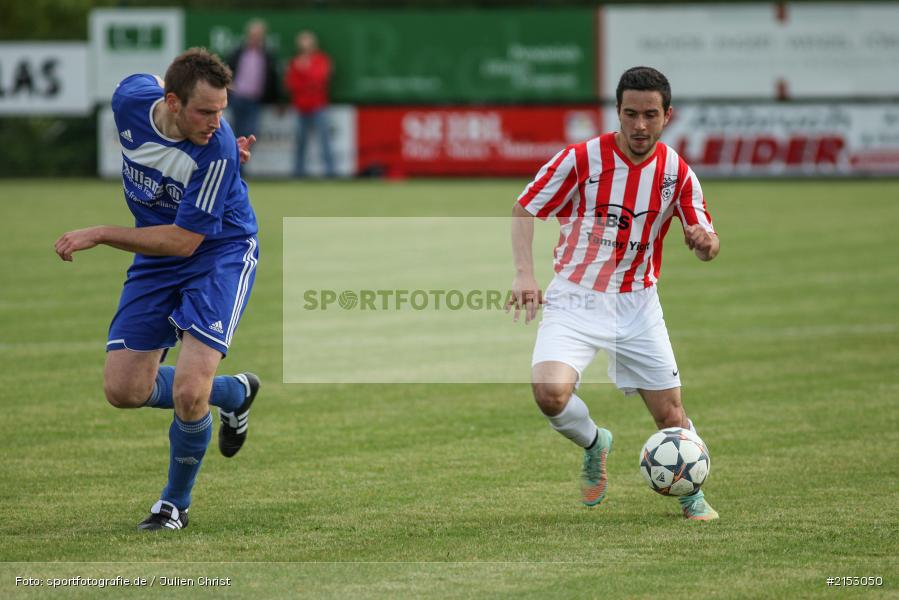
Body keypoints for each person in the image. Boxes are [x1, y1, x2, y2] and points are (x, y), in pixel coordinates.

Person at [54, 48, 262, 531]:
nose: (217, 121)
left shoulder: (216, 149)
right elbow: (146, 79)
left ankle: (173, 505)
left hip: (218, 253)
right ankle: (233, 394)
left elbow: (183, 242)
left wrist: (101, 232)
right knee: (124, 390)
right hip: (156, 256)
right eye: (205, 111)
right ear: (171, 101)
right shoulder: (130, 98)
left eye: (222, 110)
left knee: (190, 393)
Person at [506, 66, 720, 521]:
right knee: (549, 393)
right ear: (617, 112)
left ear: (667, 116)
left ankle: (691, 494)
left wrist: (704, 243)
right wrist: (524, 274)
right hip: (576, 297)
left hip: (637, 304)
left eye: (650, 115)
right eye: (630, 114)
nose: (639, 125)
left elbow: (707, 239)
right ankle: (594, 442)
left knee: (671, 414)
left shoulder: (677, 173)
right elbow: (525, 207)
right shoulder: (582, 159)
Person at [284, 30, 336, 177]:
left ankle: (330, 173)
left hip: (318, 106)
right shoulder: (295, 62)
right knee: (300, 143)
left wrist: (303, 73)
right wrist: (305, 79)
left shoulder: (321, 60)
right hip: (300, 107)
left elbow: (320, 79)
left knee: (325, 141)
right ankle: (298, 173)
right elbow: (291, 84)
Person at [226, 19, 280, 139]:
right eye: (253, 35)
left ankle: (243, 157)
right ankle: (235, 157)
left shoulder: (267, 54)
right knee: (234, 133)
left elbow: (272, 78)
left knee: (251, 133)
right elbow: (227, 69)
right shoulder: (239, 51)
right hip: (237, 98)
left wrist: (275, 100)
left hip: (255, 100)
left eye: (258, 35)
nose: (255, 38)